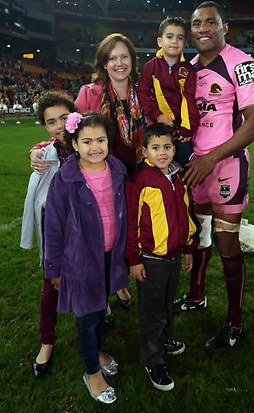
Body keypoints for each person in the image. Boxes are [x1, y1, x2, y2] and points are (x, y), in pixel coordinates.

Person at [173, 1, 254, 354]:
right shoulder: (188, 68)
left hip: (226, 166)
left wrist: (211, 157)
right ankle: (197, 296)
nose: (202, 28)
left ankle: (235, 320)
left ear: (224, 28)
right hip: (195, 168)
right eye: (197, 23)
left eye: (211, 22)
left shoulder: (242, 64)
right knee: (198, 236)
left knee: (227, 242)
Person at [44, 112, 128, 404]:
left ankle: (98, 351)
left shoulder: (116, 169)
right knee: (88, 316)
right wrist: (53, 266)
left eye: (101, 140)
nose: (95, 147)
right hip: (79, 261)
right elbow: (53, 225)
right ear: (75, 145)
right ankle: (92, 371)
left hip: (109, 255)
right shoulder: (66, 178)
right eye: (87, 141)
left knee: (100, 306)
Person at [76, 33, 151, 315]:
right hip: (101, 178)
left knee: (126, 232)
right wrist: (39, 148)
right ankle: (102, 294)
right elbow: (71, 134)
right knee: (101, 234)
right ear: (103, 63)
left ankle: (119, 282)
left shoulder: (145, 90)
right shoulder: (89, 93)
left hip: (136, 174)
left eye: (124, 56)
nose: (119, 63)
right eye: (112, 58)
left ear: (132, 59)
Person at [125, 123, 197, 391]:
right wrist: (133, 258)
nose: (162, 152)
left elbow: (185, 215)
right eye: (155, 148)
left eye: (167, 147)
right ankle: (153, 359)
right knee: (151, 310)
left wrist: (189, 248)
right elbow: (131, 223)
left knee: (166, 304)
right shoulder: (140, 181)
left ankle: (163, 339)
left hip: (174, 256)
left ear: (174, 148)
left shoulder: (177, 177)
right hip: (151, 259)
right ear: (145, 152)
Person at [20, 92, 75, 377]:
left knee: (88, 281)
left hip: (85, 229)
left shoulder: (87, 143)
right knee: (50, 285)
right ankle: (46, 341)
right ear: (45, 126)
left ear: (74, 115)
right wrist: (35, 149)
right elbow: (45, 146)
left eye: (64, 118)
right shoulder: (47, 153)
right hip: (54, 227)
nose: (59, 125)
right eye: (51, 121)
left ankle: (94, 335)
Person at [137, 16, 198, 168]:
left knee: (186, 169)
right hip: (157, 130)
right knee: (156, 168)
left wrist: (187, 129)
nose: (174, 41)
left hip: (180, 133)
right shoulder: (150, 67)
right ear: (159, 41)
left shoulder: (188, 70)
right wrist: (158, 115)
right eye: (169, 37)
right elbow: (143, 94)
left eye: (180, 38)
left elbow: (189, 100)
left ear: (185, 43)